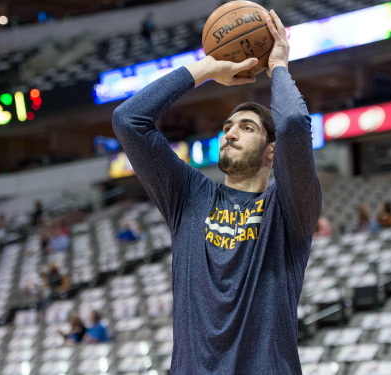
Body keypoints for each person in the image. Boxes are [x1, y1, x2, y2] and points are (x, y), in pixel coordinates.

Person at [111, 10, 321, 374]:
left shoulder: (288, 210)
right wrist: (205, 69)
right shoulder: (189, 196)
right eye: (227, 126)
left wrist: (278, 66)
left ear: (272, 150)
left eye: (247, 127)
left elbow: (291, 123)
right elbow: (129, 121)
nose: (230, 133)